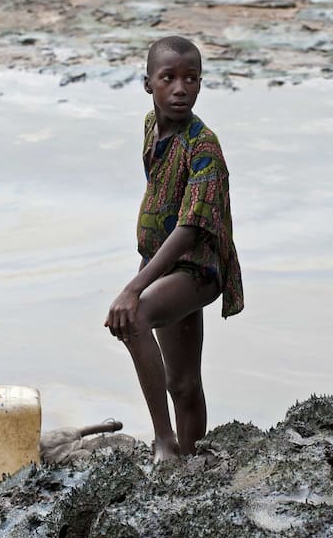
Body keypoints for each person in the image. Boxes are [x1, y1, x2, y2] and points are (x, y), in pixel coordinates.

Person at [104, 36, 243, 463]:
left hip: (197, 267)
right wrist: (148, 264)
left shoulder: (204, 147)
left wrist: (134, 286)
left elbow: (188, 228)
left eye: (191, 79)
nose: (181, 88)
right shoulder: (153, 126)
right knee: (182, 383)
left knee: (135, 315)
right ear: (149, 84)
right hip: (163, 263)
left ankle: (164, 442)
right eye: (169, 78)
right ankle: (191, 462)